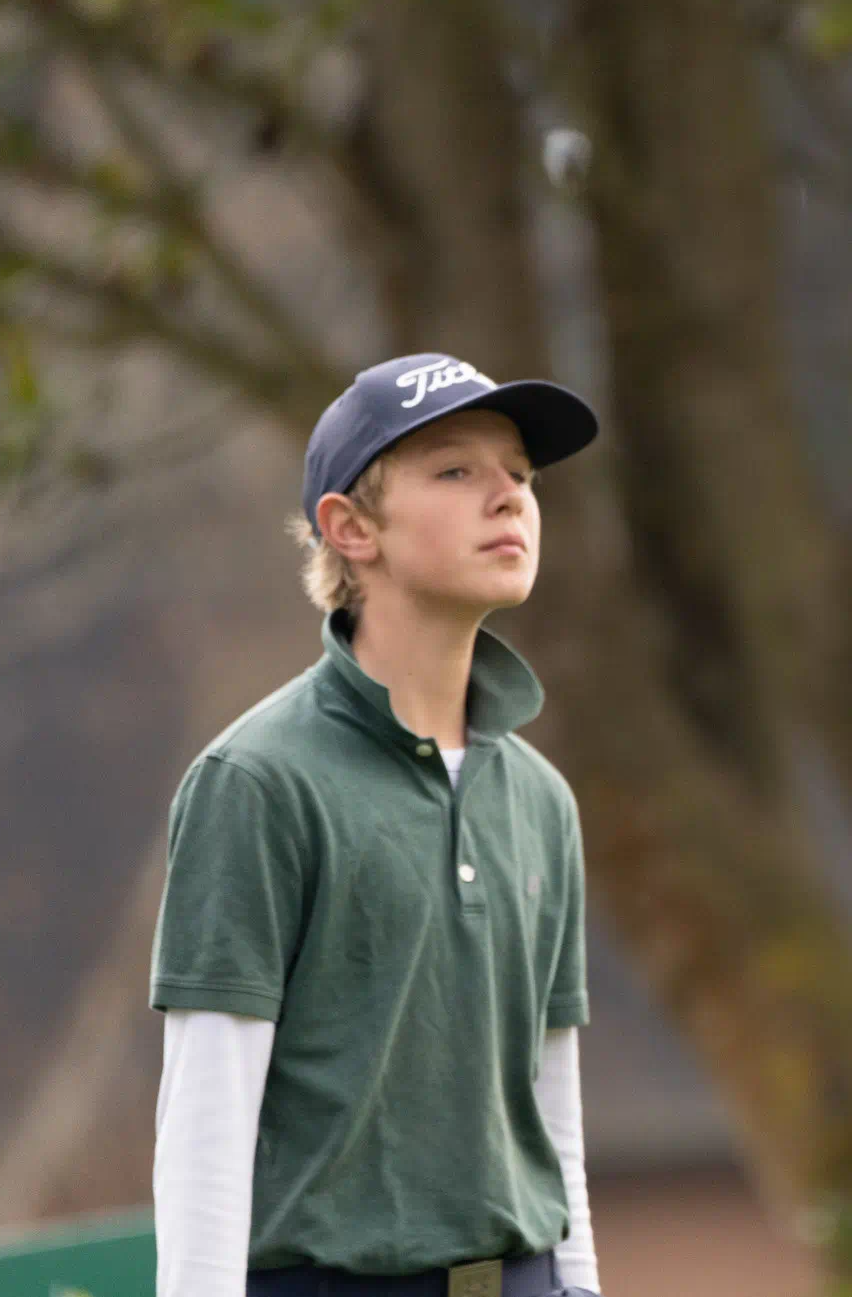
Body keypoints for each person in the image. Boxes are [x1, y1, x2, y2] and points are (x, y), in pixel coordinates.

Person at [149, 353, 605, 1297]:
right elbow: (207, 1117)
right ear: (350, 527)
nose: (508, 497)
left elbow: (551, 1113)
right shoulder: (256, 783)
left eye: (520, 474)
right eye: (456, 470)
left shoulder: (543, 802)